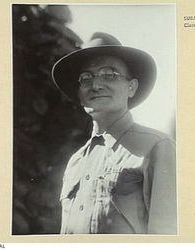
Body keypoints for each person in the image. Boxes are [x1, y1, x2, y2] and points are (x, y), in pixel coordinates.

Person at [51, 32, 176, 234]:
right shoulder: (76, 162)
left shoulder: (156, 147)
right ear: (80, 95)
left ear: (131, 88)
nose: (96, 85)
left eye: (109, 74)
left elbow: (167, 235)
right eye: (85, 78)